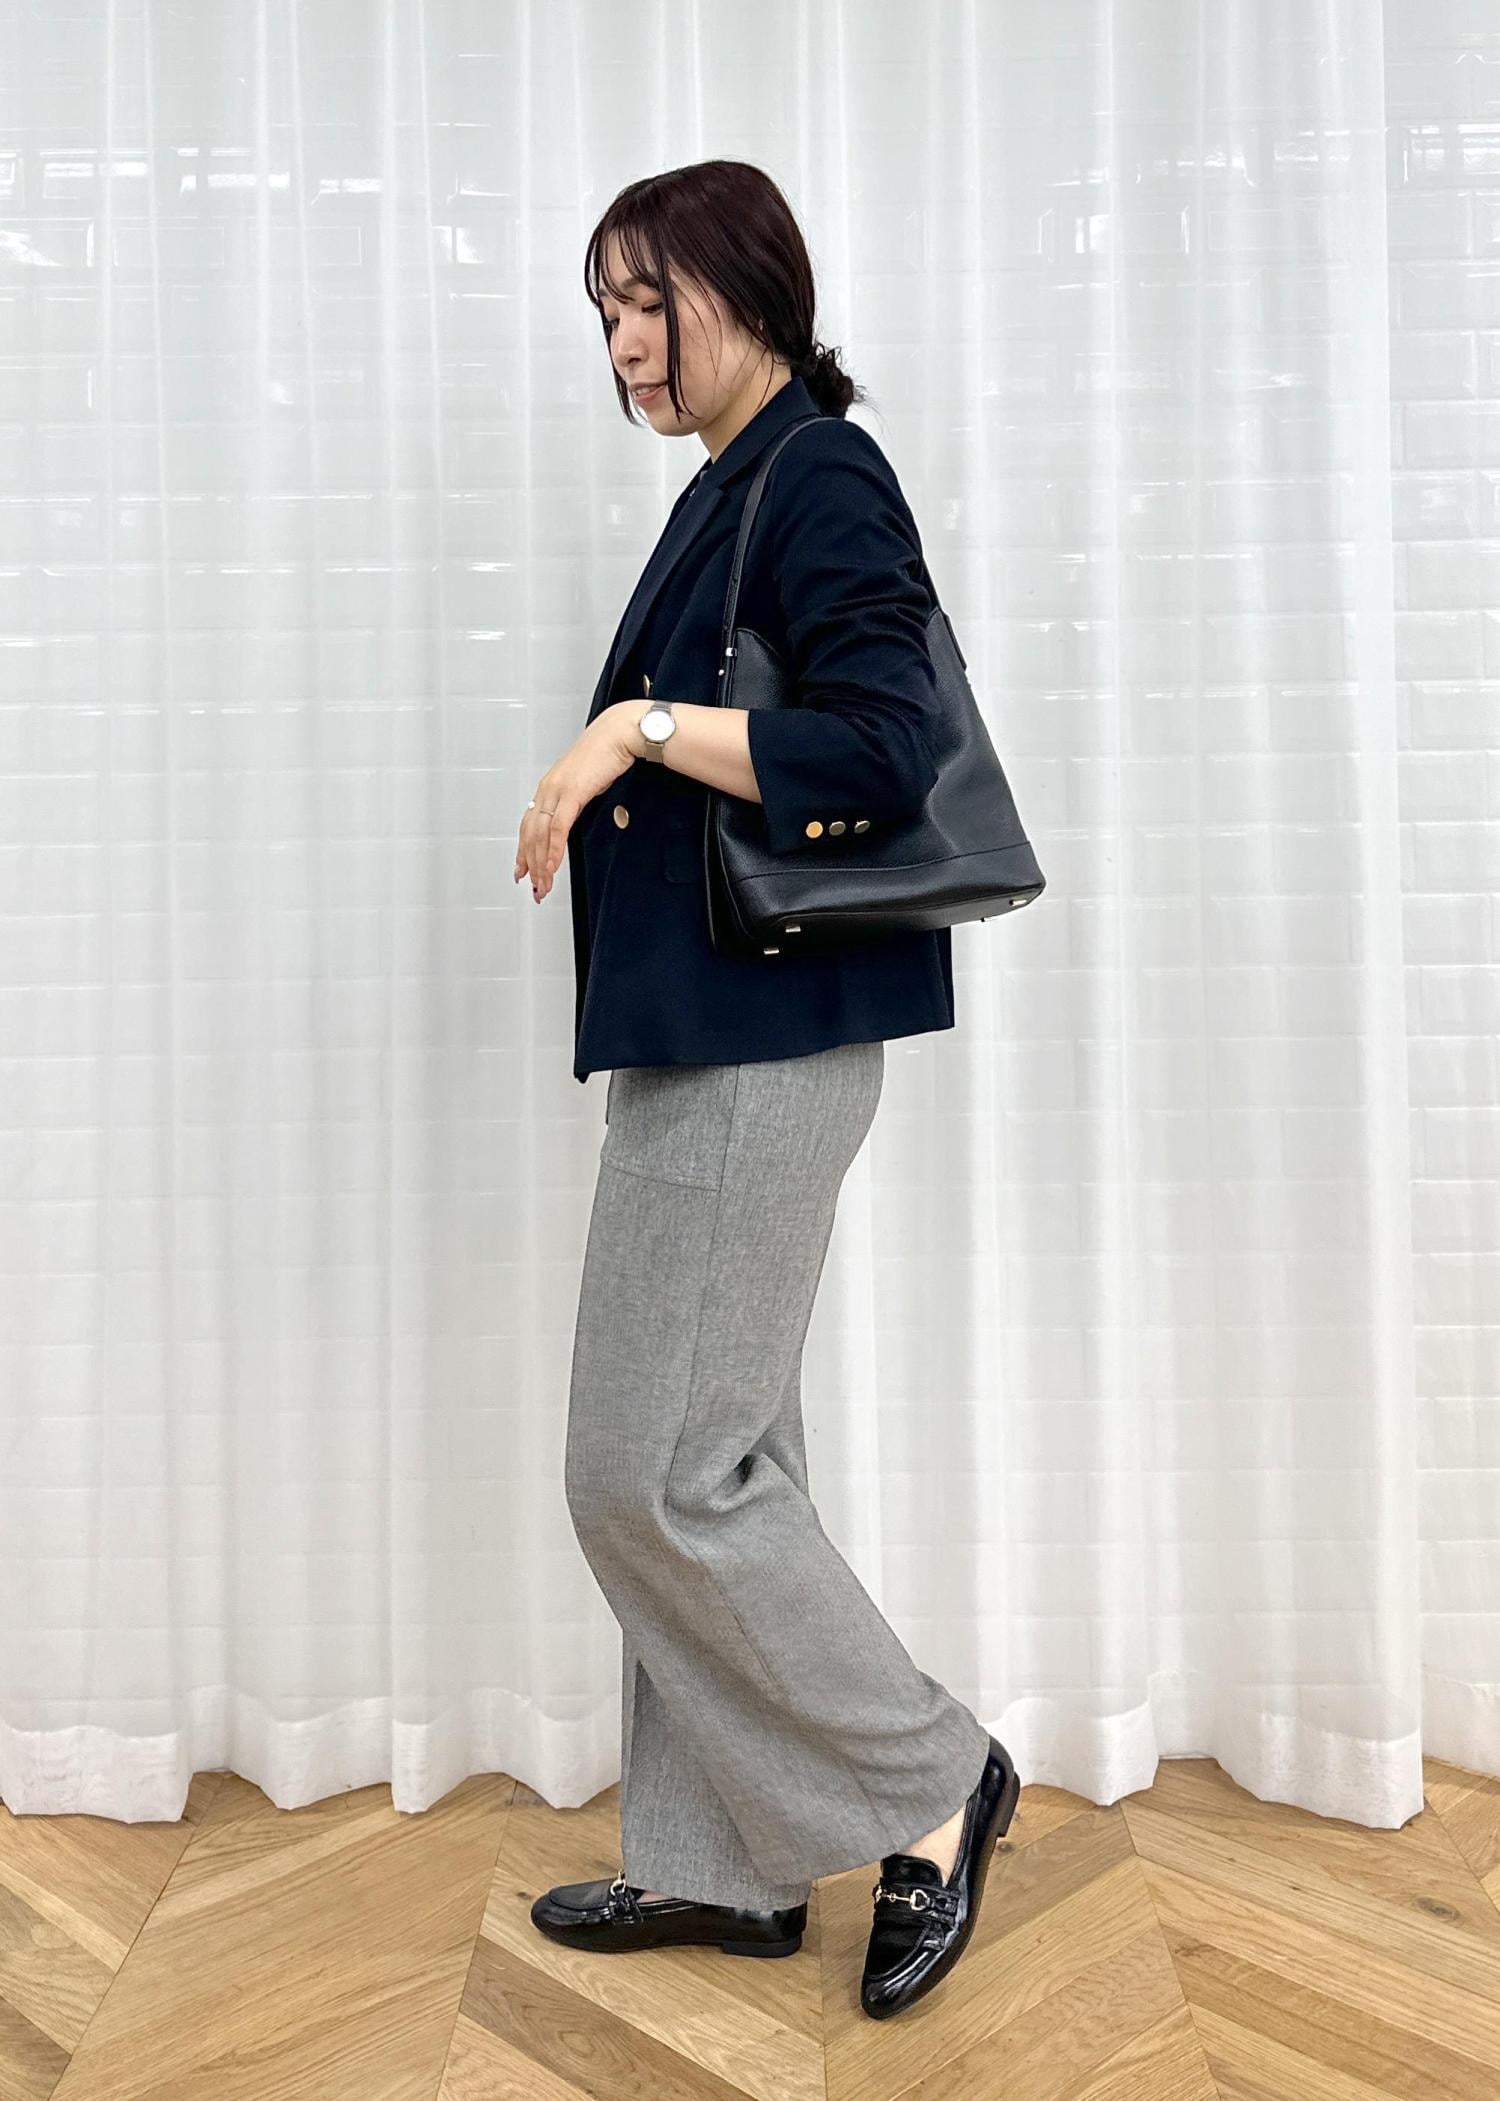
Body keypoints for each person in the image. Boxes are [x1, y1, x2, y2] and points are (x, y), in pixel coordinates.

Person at [514, 160, 1020, 2020]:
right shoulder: (734, 484)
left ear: (748, 286)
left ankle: (930, 1776)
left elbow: (881, 746)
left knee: (649, 1474)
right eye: (606, 314)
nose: (625, 347)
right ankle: (719, 1864)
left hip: (761, 1045)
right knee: (722, 1455)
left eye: (648, 301)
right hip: (713, 1039)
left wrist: (632, 728)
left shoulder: (818, 472)